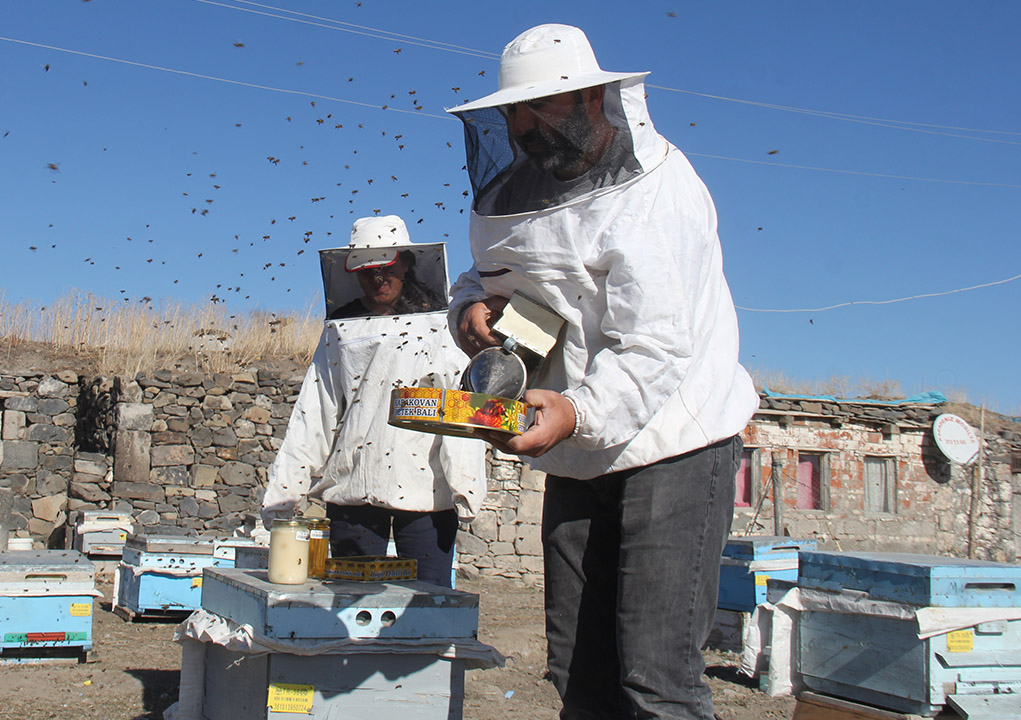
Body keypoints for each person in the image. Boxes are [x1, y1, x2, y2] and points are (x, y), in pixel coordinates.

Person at [444, 24, 759, 719]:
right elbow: (484, 276)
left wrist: (577, 412)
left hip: (675, 439)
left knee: (656, 674)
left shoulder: (659, 194)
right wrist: (471, 312)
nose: (523, 126)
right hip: (578, 452)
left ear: (591, 97)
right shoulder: (519, 189)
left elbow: (656, 349)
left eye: (539, 108)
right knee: (577, 671)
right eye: (514, 112)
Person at [262, 215, 485, 587]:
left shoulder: (440, 322)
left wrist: (466, 485)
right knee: (351, 604)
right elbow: (317, 408)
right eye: (368, 272)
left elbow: (458, 404)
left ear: (406, 263)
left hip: (426, 488)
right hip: (353, 483)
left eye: (387, 269)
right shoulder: (342, 325)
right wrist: (285, 492)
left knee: (428, 605)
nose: (378, 280)